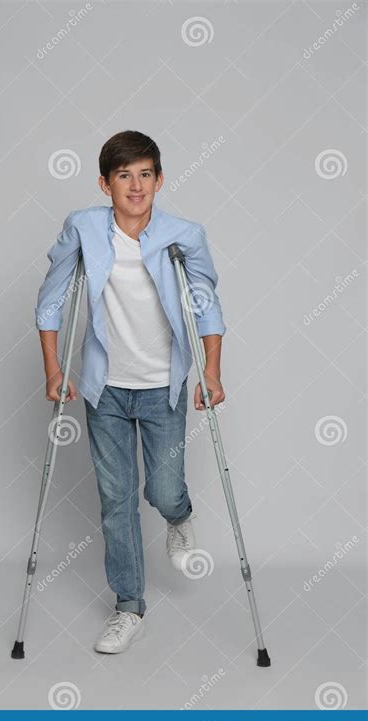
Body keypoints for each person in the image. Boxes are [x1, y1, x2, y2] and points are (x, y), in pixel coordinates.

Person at [35, 130, 226, 654]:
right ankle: (128, 606)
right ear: (105, 183)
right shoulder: (84, 228)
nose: (135, 185)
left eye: (145, 174)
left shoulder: (184, 234)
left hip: (162, 387)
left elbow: (206, 305)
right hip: (106, 391)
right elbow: (51, 300)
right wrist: (54, 369)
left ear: (159, 180)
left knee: (162, 490)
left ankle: (179, 517)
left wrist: (210, 369)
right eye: (124, 175)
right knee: (116, 502)